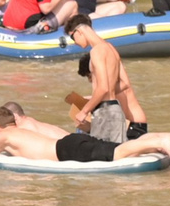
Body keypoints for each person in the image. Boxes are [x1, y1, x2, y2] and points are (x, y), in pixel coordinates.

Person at [0, 101, 170, 168]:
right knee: (117, 148)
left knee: (117, 153)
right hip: (69, 143)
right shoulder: (21, 131)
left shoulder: (8, 136)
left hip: (66, 151)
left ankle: (161, 140)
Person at [63, 14, 150, 142]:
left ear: (79, 31)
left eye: (72, 37)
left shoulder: (96, 51)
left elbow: (103, 88)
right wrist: (96, 96)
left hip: (105, 110)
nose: (74, 42)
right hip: (115, 110)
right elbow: (124, 83)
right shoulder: (110, 48)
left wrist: (84, 111)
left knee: (102, 155)